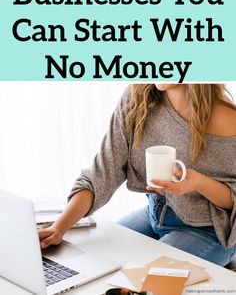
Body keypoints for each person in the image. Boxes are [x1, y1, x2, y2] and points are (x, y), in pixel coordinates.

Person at [39, 84, 236, 266]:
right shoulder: (137, 100)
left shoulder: (229, 120)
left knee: (147, 280)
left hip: (210, 230)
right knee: (95, 263)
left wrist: (199, 183)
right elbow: (102, 173)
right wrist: (58, 228)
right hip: (154, 214)